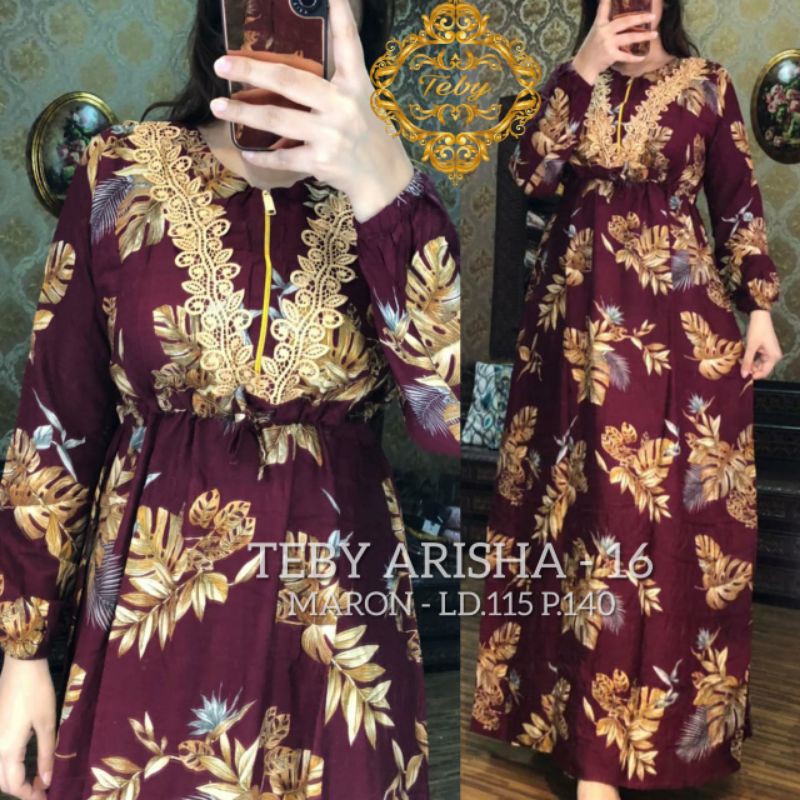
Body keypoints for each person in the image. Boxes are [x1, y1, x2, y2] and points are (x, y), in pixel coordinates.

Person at [0, 0, 460, 797]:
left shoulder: (399, 199)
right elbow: (57, 419)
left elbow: (446, 415)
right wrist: (22, 651)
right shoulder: (121, 170)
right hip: (154, 631)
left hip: (339, 636)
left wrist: (380, 185)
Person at [469, 0, 782, 798]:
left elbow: (738, 202)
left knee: (660, 522)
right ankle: (579, 742)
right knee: (574, 517)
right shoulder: (573, 80)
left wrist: (760, 310)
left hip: (677, 330)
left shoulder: (708, 84)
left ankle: (641, 747)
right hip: (571, 337)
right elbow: (531, 177)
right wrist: (583, 68)